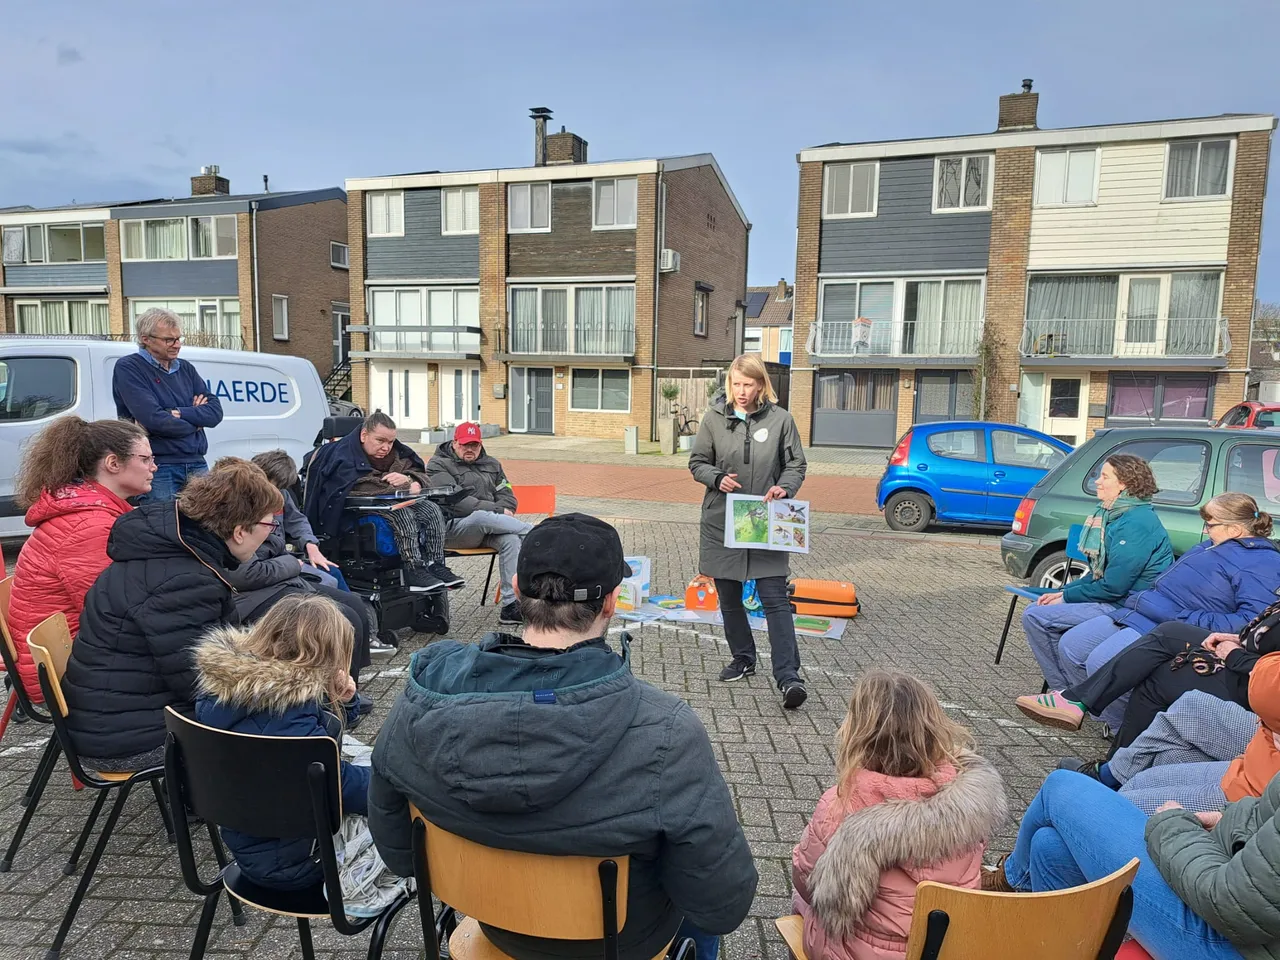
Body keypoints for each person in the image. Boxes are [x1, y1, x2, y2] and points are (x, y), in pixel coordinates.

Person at [367, 514, 758, 960]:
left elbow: (399, 852)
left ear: (516, 588)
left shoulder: (423, 694)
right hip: (622, 944)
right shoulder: (668, 730)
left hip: (494, 927)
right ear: (611, 603)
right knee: (701, 922)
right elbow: (722, 903)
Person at [61, 459, 283, 772]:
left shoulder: (169, 551)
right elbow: (199, 681)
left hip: (115, 715)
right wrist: (282, 681)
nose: (272, 536)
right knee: (292, 724)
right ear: (238, 532)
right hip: (127, 737)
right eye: (269, 526)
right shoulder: (185, 578)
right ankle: (256, 807)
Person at [791, 670, 1006, 960]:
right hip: (945, 948)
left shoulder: (840, 805)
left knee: (801, 903)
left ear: (857, 735)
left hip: (858, 953)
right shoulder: (970, 802)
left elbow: (808, 885)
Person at [1016, 494, 1280, 729]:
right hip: (1143, 611)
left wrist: (1180, 616)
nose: (1205, 529)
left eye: (1210, 524)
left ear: (1234, 528)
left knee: (1099, 659)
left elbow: (1251, 624)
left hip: (1169, 624)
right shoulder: (1213, 544)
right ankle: (1090, 712)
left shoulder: (1262, 562)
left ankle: (1125, 730)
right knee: (1072, 646)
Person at [984, 766, 1280, 959]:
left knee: (1061, 786)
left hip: (1239, 944)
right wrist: (1229, 819)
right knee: (1049, 848)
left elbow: (1237, 905)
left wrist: (1172, 827)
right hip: (1245, 909)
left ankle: (1010, 882)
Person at [192, 595, 369, 889]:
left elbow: (314, 732)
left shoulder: (222, 693)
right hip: (297, 862)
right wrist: (396, 783)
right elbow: (339, 786)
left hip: (249, 842)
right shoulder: (290, 716)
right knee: (405, 811)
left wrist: (344, 702)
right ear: (322, 658)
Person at [689, 355, 809, 709]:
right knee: (729, 599)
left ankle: (788, 677)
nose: (742, 392)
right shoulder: (713, 419)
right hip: (722, 520)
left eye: (749, 384)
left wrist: (784, 488)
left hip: (765, 522)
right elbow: (697, 462)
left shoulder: (781, 420)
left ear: (761, 385)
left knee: (775, 599)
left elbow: (796, 464)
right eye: (737, 384)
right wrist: (715, 477)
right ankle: (743, 657)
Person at [8, 416, 155, 703]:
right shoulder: (89, 526)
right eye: (146, 459)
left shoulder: (86, 512)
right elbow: (111, 614)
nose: (154, 467)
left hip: (67, 653)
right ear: (113, 463)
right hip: (66, 670)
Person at [1016, 596, 1280, 753]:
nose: (1207, 527)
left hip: (1257, 689)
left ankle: (1112, 767)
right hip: (1247, 661)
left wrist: (1233, 654)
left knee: (1160, 674)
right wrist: (1237, 639)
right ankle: (1083, 712)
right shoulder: (1208, 548)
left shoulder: (1253, 558)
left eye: (1212, 523)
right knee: (1169, 633)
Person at [1021, 453, 1173, 691]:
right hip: (1116, 597)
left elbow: (1114, 586)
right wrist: (1063, 591)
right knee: (1039, 608)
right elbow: (1098, 573)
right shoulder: (1114, 514)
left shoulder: (1136, 522)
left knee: (1035, 616)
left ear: (1124, 483)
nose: (1097, 482)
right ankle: (1070, 690)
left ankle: (1065, 692)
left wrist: (1065, 597)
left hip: (1128, 606)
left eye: (1104, 476)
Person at [1062, 656, 1280, 816]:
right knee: (1164, 756)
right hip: (1260, 752)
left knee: (1109, 811)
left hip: (1262, 788)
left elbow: (1267, 689)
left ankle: (1106, 777)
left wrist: (1240, 656)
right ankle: (1112, 775)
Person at [304, 412, 462, 594]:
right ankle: (414, 569)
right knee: (401, 511)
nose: (386, 447)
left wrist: (411, 480)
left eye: (390, 442)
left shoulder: (399, 453)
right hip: (352, 514)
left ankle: (435, 564)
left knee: (431, 509)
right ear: (364, 435)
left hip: (392, 500)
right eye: (380, 441)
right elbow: (356, 487)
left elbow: (419, 473)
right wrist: (401, 487)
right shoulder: (340, 456)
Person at [112, 307, 224, 501]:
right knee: (162, 526)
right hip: (157, 466)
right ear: (146, 339)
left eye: (179, 339)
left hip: (196, 462)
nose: (177, 345)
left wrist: (178, 413)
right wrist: (197, 420)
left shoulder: (186, 368)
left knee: (208, 526)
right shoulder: (129, 368)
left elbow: (215, 413)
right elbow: (155, 420)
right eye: (168, 340)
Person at [427, 421, 532, 625]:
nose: (470, 449)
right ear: (455, 442)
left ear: (481, 444)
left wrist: (503, 508)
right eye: (465, 444)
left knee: (510, 539)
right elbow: (459, 503)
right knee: (479, 516)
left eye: (474, 445)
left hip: (490, 528)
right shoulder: (437, 464)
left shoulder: (493, 464)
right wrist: (498, 511)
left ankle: (511, 606)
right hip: (454, 529)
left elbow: (507, 494)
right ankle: (536, 533)